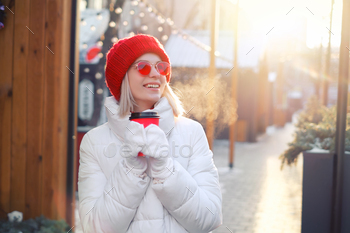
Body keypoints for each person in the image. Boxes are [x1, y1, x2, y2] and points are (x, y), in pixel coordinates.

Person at [78, 34, 223, 233]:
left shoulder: (191, 132)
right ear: (122, 77)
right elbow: (93, 228)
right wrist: (130, 170)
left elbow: (210, 217)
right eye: (143, 66)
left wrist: (166, 170)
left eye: (161, 67)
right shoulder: (93, 142)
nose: (155, 74)